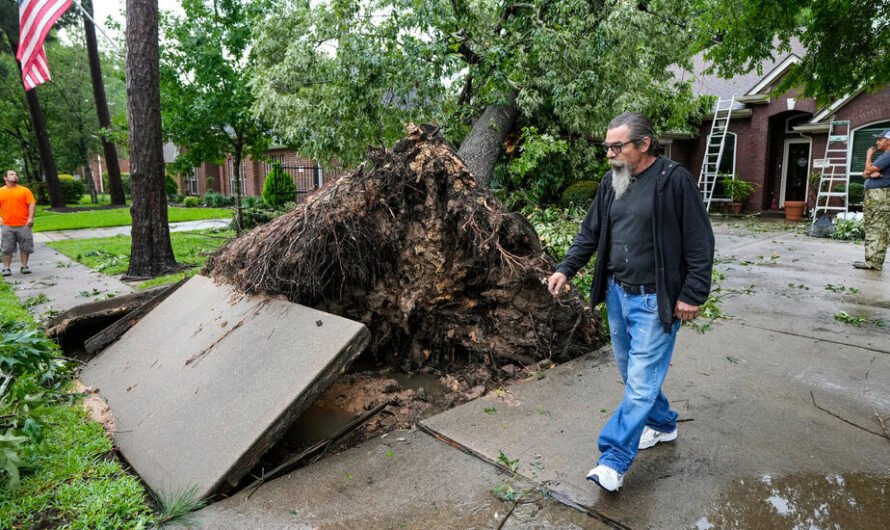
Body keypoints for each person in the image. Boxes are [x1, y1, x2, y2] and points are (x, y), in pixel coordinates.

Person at [547, 112, 714, 492]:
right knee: (632, 374)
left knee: (639, 383)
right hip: (618, 294)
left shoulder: (674, 182)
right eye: (607, 146)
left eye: (616, 146)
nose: (609, 153)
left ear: (644, 144)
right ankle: (662, 423)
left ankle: (613, 459)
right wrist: (565, 269)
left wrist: (692, 294)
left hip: (657, 300)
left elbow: (701, 242)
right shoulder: (612, 182)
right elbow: (590, 233)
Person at [853, 130, 890, 271]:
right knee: (872, 227)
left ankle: (874, 263)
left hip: (880, 197)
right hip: (875, 197)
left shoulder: (888, 156)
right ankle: (871, 261)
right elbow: (865, 173)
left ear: (889, 141)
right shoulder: (885, 157)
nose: (877, 142)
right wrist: (869, 173)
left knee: (878, 229)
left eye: (880, 139)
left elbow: (867, 170)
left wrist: (868, 156)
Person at [0, 170, 36, 276]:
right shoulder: (1, 191)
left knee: (25, 247)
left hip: (24, 225)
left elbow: (32, 204)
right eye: (12, 174)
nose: (15, 176)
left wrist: (30, 218)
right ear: (5, 178)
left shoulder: (25, 191)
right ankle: (6, 268)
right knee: (6, 248)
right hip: (7, 226)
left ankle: (24, 266)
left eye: (16, 174)